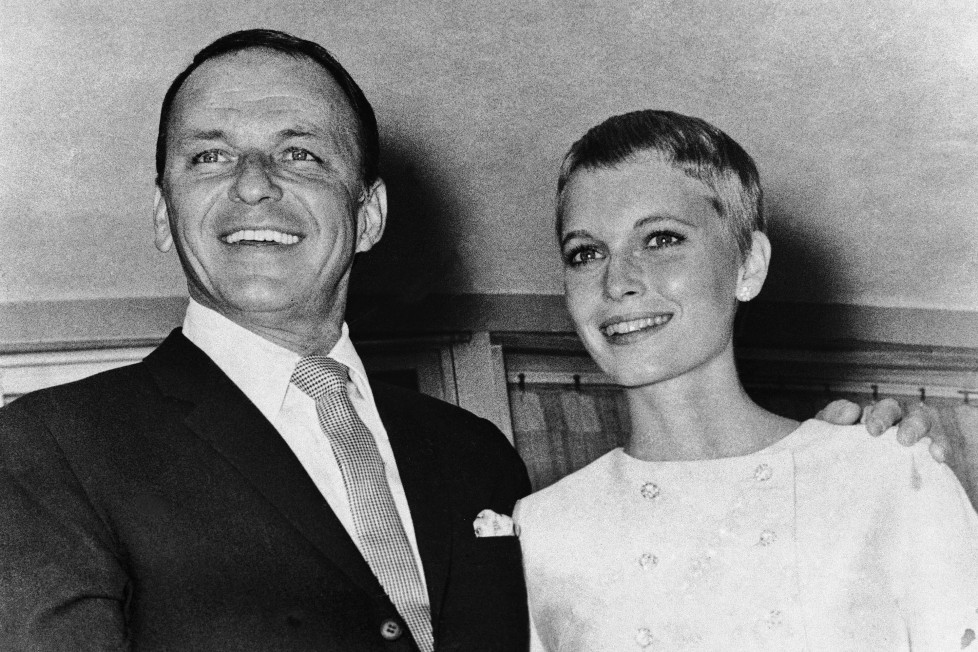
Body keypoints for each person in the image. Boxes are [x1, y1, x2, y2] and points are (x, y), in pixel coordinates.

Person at [0, 30, 937, 651]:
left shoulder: (477, 461)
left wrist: (846, 461)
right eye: (209, 154)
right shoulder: (48, 452)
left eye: (300, 152)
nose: (253, 183)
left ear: (368, 215)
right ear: (163, 213)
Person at [515, 110, 978, 651]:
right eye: (586, 253)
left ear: (748, 265)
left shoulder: (889, 472)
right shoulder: (543, 528)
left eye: (660, 239)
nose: (617, 282)